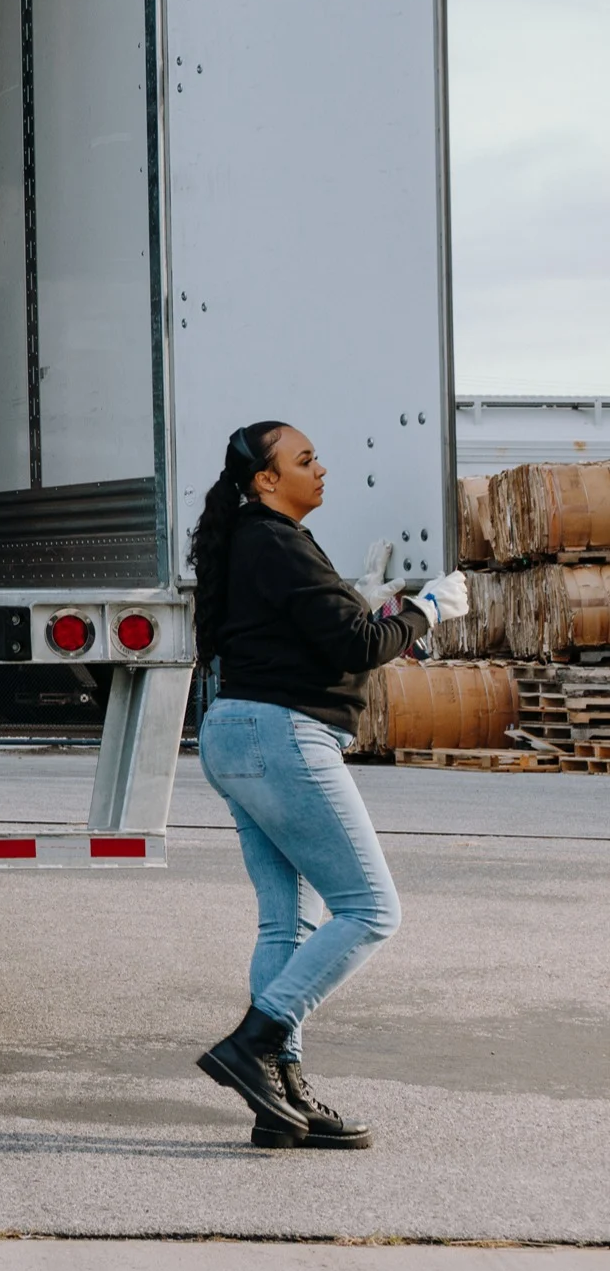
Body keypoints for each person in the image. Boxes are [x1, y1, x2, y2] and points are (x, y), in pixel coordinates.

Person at [190, 421, 467, 1149]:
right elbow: (356, 645)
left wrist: (378, 609)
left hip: (238, 733)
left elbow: (329, 632)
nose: (323, 467)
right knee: (372, 907)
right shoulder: (276, 542)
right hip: (281, 735)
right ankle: (255, 1041)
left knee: (289, 922)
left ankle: (277, 1101)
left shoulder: (256, 542)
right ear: (266, 480)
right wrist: (428, 609)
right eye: (305, 459)